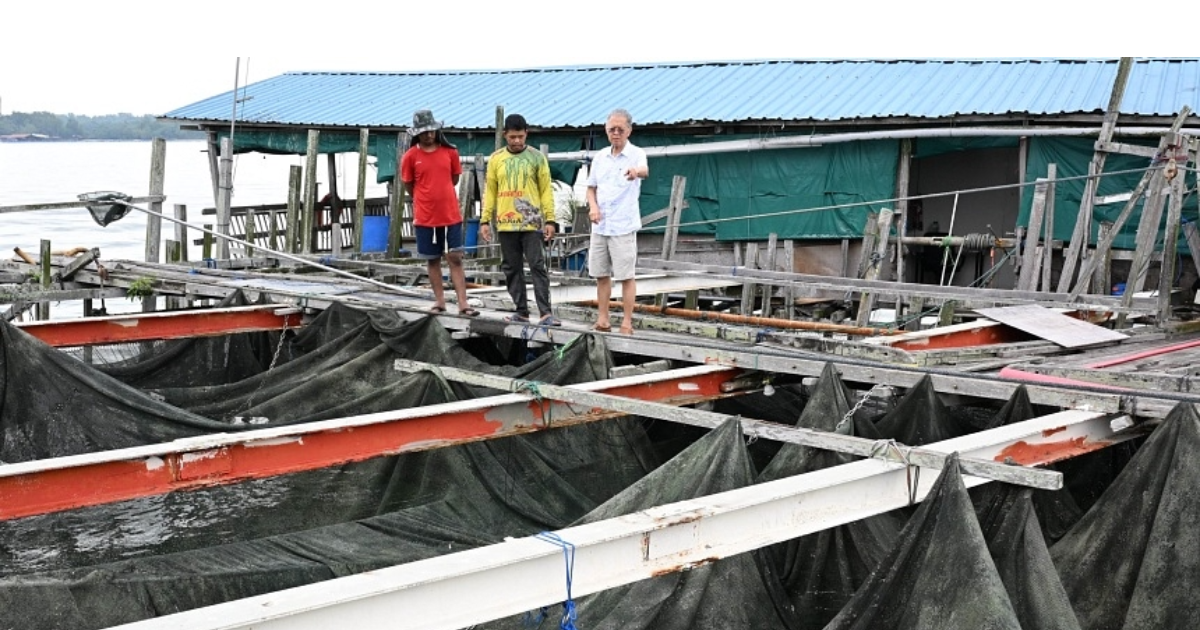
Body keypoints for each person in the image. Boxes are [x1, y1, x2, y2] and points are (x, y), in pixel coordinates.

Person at [480, 114, 559, 325]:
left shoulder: (537, 158)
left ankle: (545, 312)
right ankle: (521, 310)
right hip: (505, 224)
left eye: (520, 137)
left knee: (537, 266)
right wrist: (484, 220)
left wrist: (550, 220)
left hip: (531, 222)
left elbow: (546, 191)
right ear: (504, 134)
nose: (516, 141)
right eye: (512, 137)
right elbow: (490, 191)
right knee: (511, 267)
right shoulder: (496, 159)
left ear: (526, 134)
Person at [400, 109, 477, 316]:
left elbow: (454, 178)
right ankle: (440, 301)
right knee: (432, 259)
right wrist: (424, 197)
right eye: (424, 132)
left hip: (450, 214)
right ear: (417, 133)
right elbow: (408, 184)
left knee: (455, 257)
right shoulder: (410, 156)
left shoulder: (450, 152)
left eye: (431, 131)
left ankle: (463, 303)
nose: (429, 135)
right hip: (425, 217)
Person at [587, 108, 648, 335]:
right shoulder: (600, 157)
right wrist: (593, 207)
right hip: (601, 225)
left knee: (625, 275)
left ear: (629, 131)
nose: (615, 133)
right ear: (606, 130)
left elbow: (644, 170)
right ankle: (603, 319)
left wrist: (635, 172)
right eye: (611, 129)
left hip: (623, 224)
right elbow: (591, 188)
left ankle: (627, 322)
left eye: (620, 130)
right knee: (601, 274)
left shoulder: (637, 154)